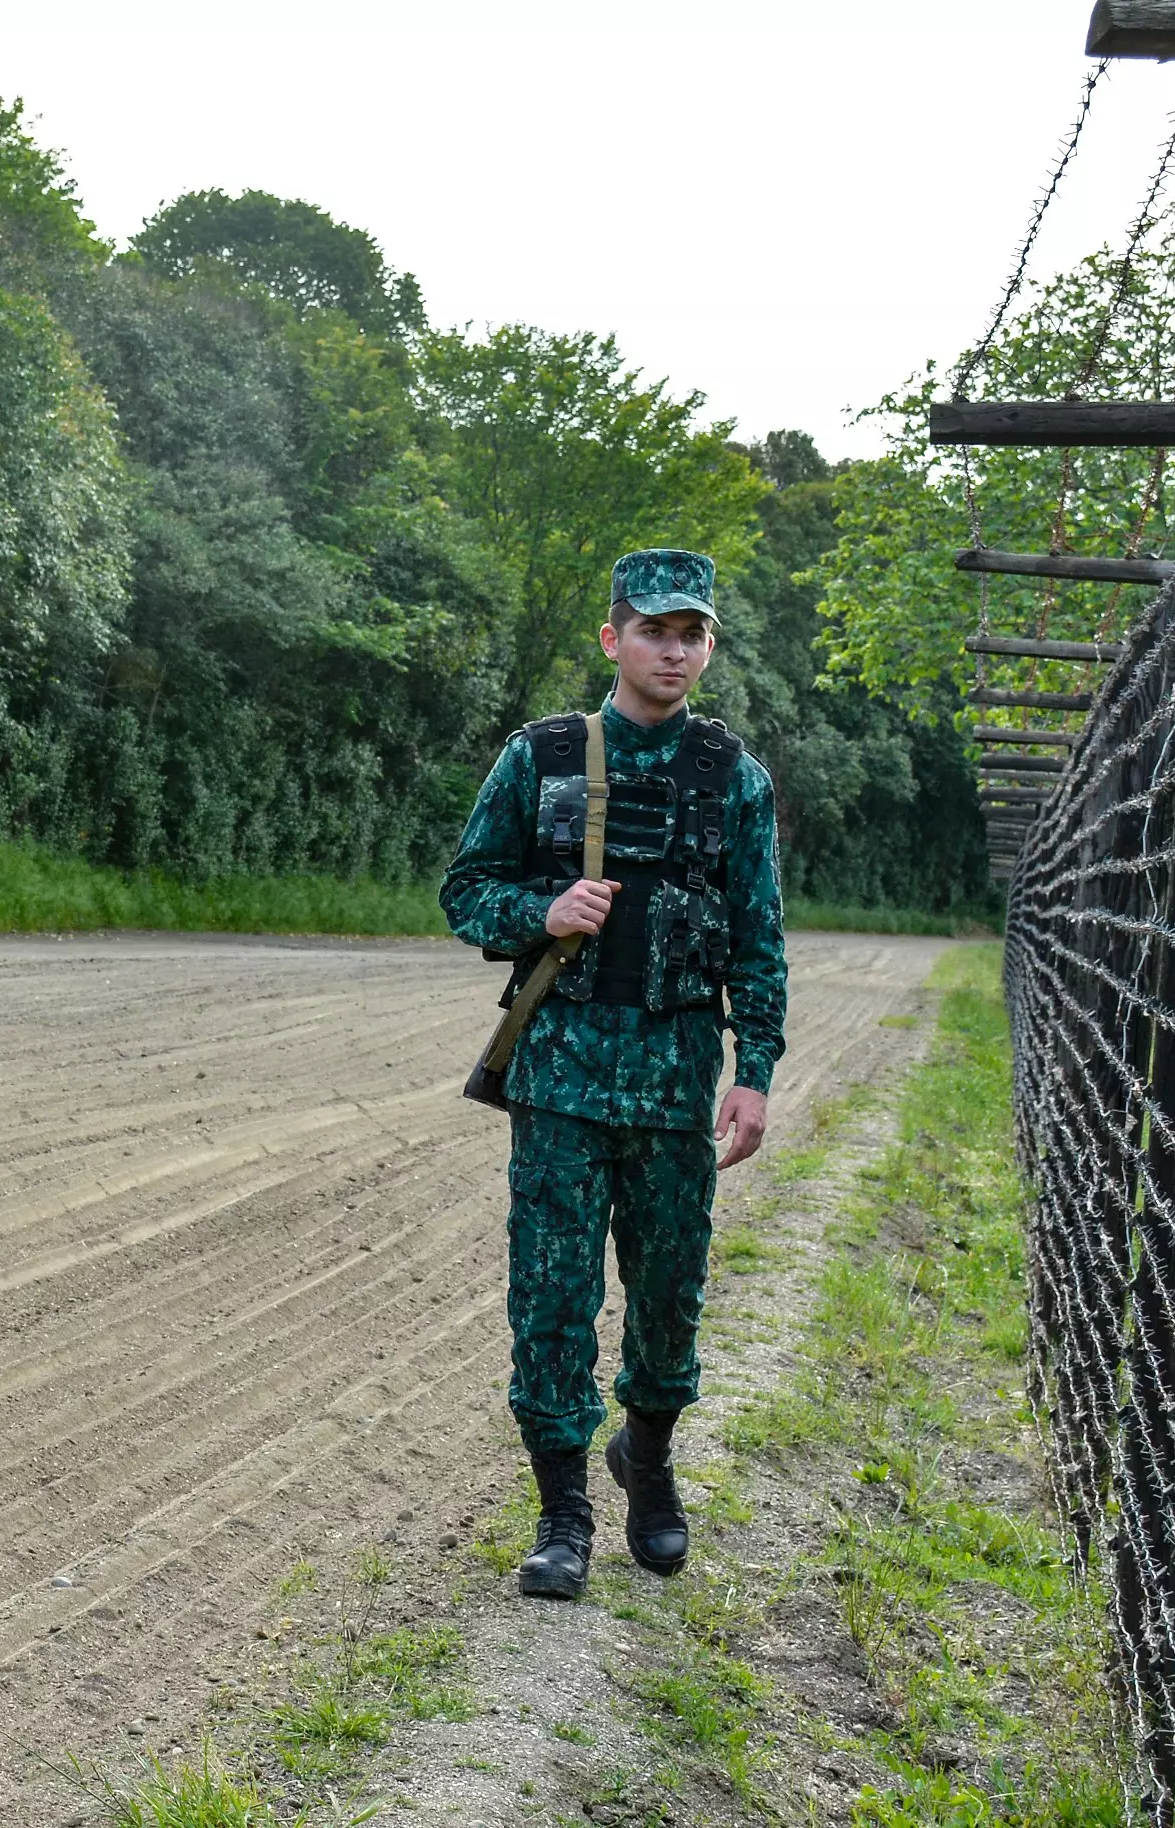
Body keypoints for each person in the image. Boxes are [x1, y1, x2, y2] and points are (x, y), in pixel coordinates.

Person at [440, 549, 788, 1601]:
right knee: (551, 1298)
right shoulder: (540, 758)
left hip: (676, 1085)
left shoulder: (734, 779)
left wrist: (753, 1068)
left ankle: (648, 1453)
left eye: (692, 634)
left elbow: (757, 938)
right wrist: (537, 914)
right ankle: (562, 1513)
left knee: (668, 1295)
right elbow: (465, 891)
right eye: (654, 630)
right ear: (612, 639)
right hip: (559, 1083)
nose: (673, 650)